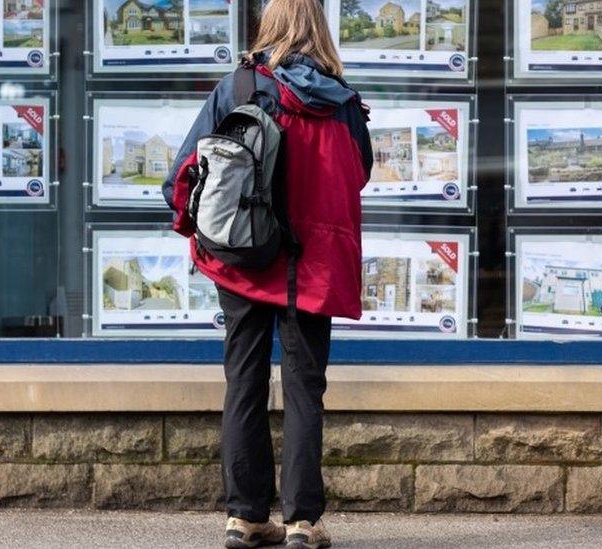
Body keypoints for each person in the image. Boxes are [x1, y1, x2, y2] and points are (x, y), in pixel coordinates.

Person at [162, 0, 372, 547]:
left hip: (243, 259)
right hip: (314, 266)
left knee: (244, 381)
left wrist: (196, 224)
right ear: (320, 29)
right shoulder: (344, 104)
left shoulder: (237, 89)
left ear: (269, 24)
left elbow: (184, 173)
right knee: (305, 389)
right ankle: (303, 522)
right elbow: (361, 173)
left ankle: (245, 516)